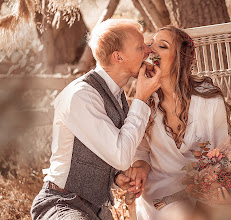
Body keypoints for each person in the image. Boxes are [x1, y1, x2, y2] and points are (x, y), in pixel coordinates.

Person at [30, 19, 161, 220]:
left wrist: (116, 177)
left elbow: (104, 150)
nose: (147, 51)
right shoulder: (82, 96)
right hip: (61, 204)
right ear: (118, 57)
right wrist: (141, 99)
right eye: (139, 47)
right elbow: (121, 156)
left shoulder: (117, 96)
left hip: (96, 211)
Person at [126, 25, 231, 220]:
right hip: (160, 196)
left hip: (203, 193)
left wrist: (218, 184)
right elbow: (141, 150)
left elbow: (223, 152)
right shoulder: (145, 103)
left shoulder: (209, 100)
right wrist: (140, 167)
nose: (152, 51)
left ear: (181, 58)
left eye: (163, 46)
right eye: (150, 45)